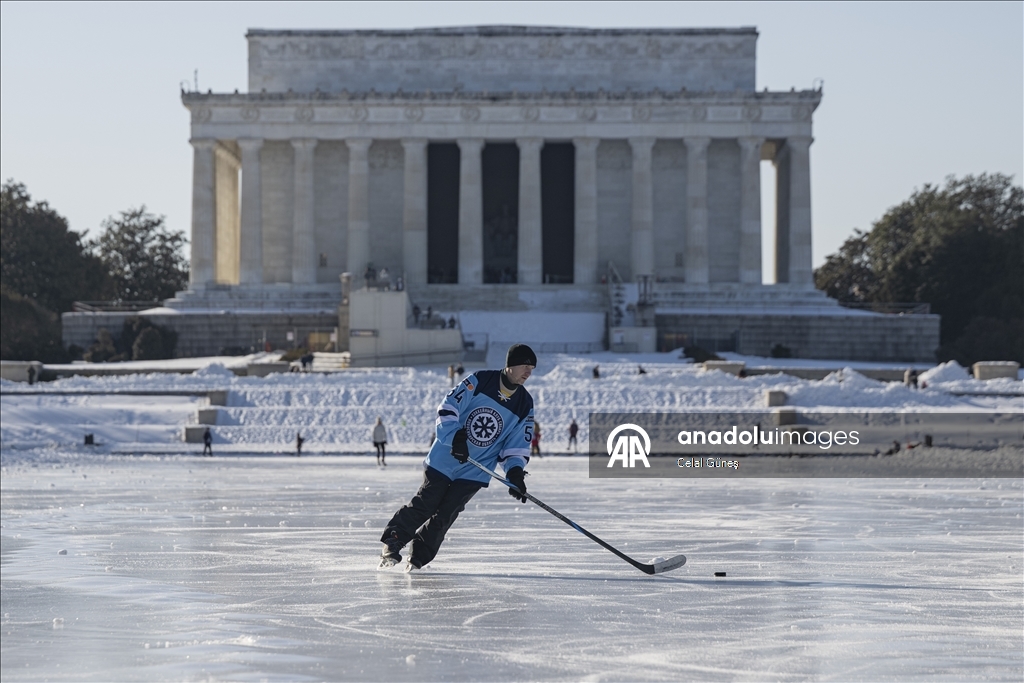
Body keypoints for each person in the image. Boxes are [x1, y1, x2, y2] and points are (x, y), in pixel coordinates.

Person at [379, 343, 537, 571]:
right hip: (445, 459)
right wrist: (455, 438)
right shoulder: (480, 380)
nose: (528, 372)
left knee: (445, 515)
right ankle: (393, 541)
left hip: (475, 470)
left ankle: (418, 557)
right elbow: (447, 407)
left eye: (531, 368)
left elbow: (517, 445)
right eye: (525, 366)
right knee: (426, 503)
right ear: (511, 365)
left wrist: (515, 473)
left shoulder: (524, 403)